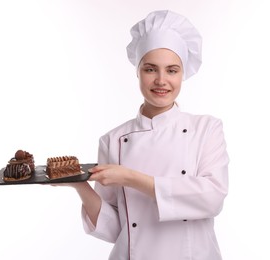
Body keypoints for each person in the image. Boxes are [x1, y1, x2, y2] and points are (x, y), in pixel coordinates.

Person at [69, 10, 229, 260]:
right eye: (151, 69)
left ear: (183, 74)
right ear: (137, 71)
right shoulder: (112, 140)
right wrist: (78, 184)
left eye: (172, 70)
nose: (161, 80)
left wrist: (131, 178)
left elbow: (211, 199)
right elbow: (115, 229)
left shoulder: (206, 129)